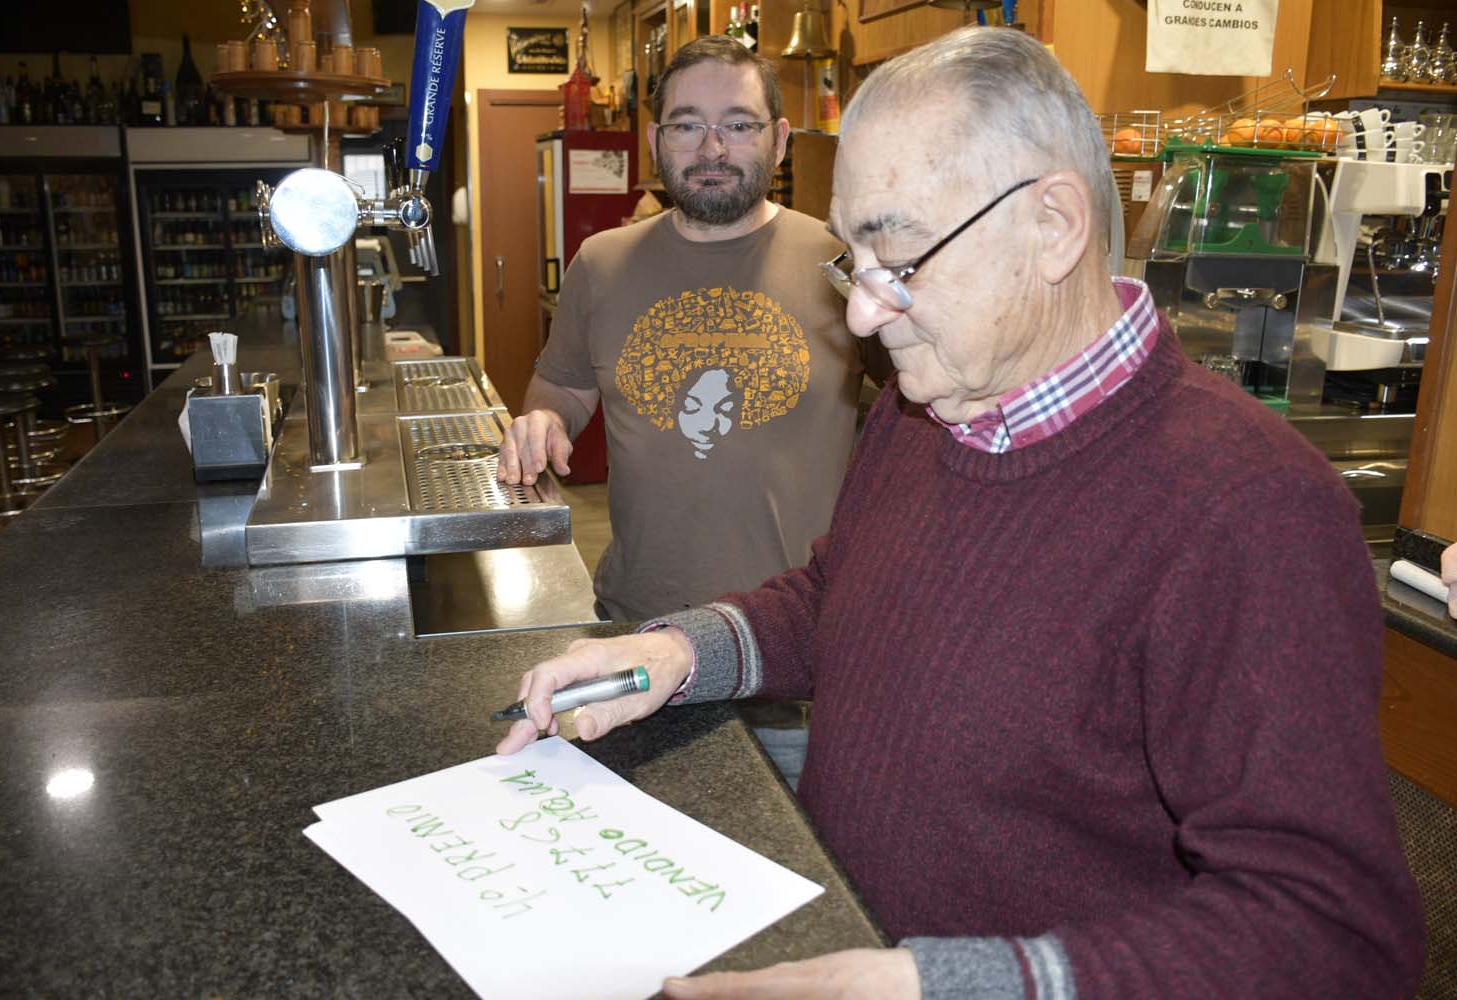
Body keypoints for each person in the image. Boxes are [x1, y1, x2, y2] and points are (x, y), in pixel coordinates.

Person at [496, 26, 1425, 1000]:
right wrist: (676, 656)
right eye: (855, 262)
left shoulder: (1252, 513)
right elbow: (836, 595)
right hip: (842, 922)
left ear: (1054, 226)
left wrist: (939, 984)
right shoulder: (923, 405)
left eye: (898, 255)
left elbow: (1337, 938)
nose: (861, 315)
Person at [497, 36, 884, 626]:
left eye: (738, 125)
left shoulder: (842, 264)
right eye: (685, 126)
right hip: (638, 620)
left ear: (779, 140)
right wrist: (544, 422)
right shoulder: (600, 264)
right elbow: (563, 390)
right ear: (655, 142)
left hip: (796, 637)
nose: (712, 148)